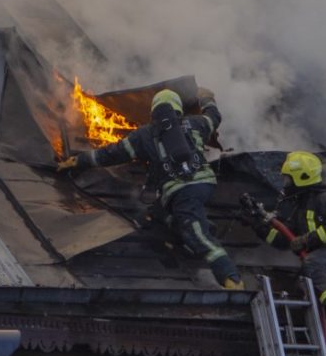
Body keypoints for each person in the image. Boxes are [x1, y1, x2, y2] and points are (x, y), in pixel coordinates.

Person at [57, 88, 244, 289]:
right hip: (204, 183)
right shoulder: (196, 123)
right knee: (157, 216)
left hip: (182, 191)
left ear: (153, 111)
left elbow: (110, 154)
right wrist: (208, 98)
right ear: (178, 109)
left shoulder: (144, 134)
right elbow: (214, 117)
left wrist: (78, 160)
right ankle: (200, 227)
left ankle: (230, 277)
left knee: (195, 230)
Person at [251, 151, 326, 309]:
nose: (285, 183)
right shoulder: (300, 206)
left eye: (288, 179)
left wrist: (306, 240)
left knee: (312, 264)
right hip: (319, 256)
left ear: (302, 177)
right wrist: (256, 225)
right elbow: (284, 240)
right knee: (300, 283)